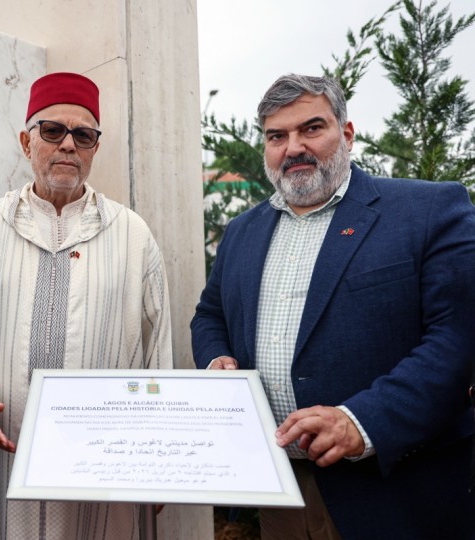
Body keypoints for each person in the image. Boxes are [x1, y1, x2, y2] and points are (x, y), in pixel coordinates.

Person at [191, 73, 475, 539]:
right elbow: (210, 315)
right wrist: (215, 358)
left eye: (311, 128)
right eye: (276, 136)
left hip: (392, 492)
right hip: (280, 487)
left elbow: (457, 340)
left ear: (346, 133)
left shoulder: (428, 210)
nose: (293, 147)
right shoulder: (243, 231)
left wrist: (361, 422)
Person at [0, 71, 173, 540]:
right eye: (52, 131)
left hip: (104, 466)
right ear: (26, 141)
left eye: (83, 135)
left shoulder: (132, 235)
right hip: (3, 458)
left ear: (95, 147)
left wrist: (157, 456)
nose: (68, 145)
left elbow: (157, 348)